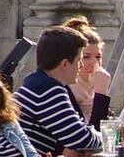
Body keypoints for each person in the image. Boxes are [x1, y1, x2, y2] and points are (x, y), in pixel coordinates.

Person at [18, 25, 102, 156]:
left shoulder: (36, 84)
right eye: (79, 60)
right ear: (65, 64)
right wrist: (108, 138)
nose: (81, 66)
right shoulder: (48, 90)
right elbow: (82, 139)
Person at [59, 17, 112, 126]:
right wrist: (101, 95)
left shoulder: (95, 86)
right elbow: (92, 132)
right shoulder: (65, 90)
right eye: (86, 57)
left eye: (98, 57)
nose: (94, 63)